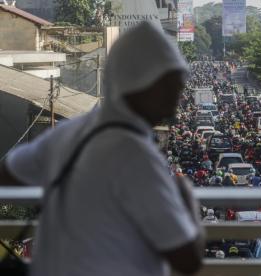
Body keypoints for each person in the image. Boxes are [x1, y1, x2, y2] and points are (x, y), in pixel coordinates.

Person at [0, 22, 204, 276]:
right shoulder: (136, 156)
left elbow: (9, 173)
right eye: (171, 85)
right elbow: (188, 260)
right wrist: (187, 201)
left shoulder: (71, 131)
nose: (178, 98)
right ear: (142, 84)